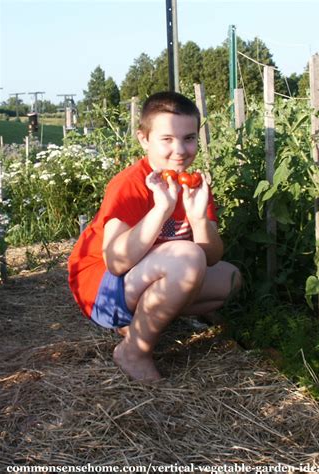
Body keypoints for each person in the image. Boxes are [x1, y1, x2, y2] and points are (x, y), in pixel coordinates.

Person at [68, 91, 241, 382]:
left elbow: (212, 257)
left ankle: (140, 323)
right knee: (187, 258)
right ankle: (133, 351)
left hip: (145, 278)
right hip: (102, 288)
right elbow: (116, 263)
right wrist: (161, 209)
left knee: (230, 279)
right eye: (167, 140)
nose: (180, 150)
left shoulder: (194, 184)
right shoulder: (130, 184)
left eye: (189, 138)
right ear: (144, 139)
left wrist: (199, 219)